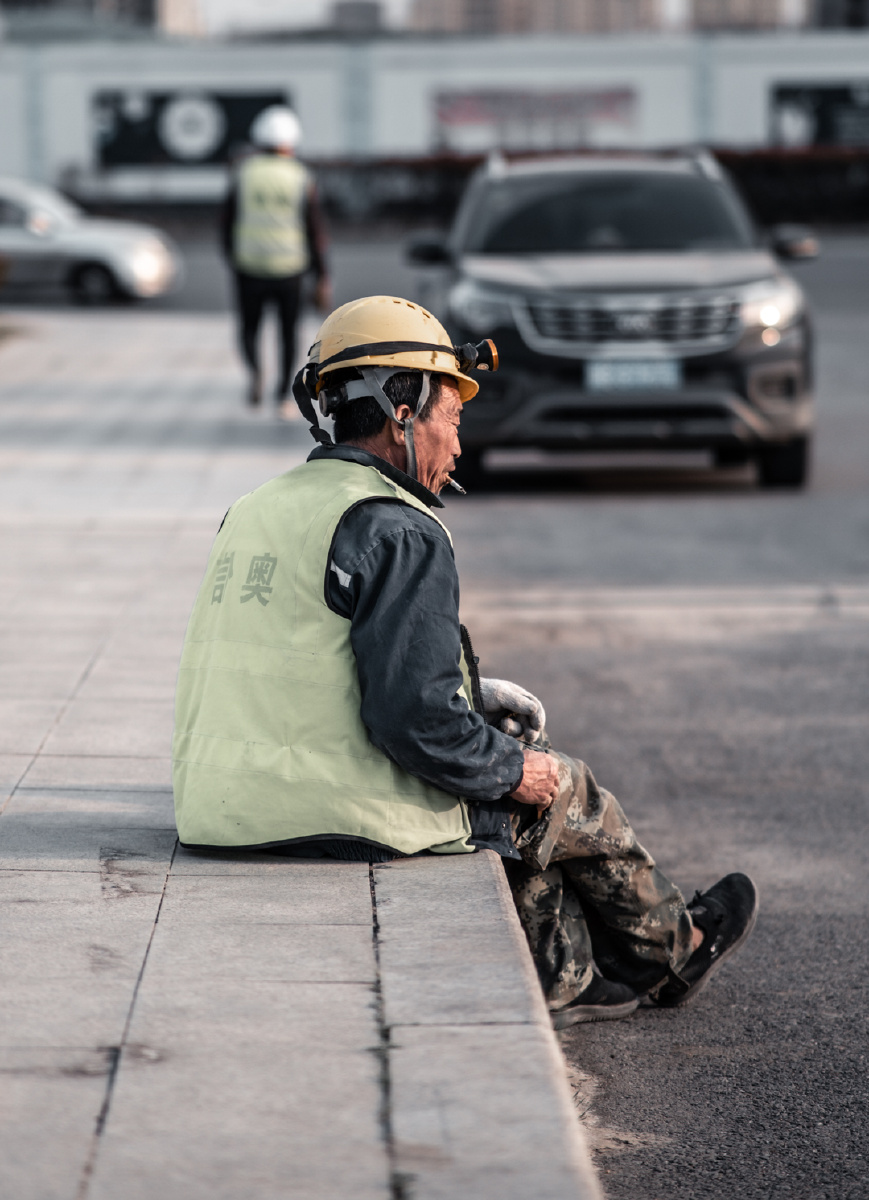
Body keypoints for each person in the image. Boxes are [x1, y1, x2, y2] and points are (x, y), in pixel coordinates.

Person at [173, 295, 758, 1028]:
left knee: (505, 783)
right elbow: (415, 721)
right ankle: (676, 951)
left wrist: (471, 694)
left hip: (219, 809)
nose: (457, 445)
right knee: (557, 785)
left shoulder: (256, 506)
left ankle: (572, 972)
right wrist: (516, 768)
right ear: (402, 408)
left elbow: (309, 655)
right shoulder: (396, 527)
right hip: (329, 811)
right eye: (452, 418)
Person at [220, 105, 330, 410]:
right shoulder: (300, 177)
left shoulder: (241, 173)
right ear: (291, 142)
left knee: (249, 328)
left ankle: (255, 372)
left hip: (249, 267)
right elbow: (314, 228)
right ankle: (283, 393)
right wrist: (321, 274)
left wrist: (234, 257)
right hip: (290, 268)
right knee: (288, 333)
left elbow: (227, 222)